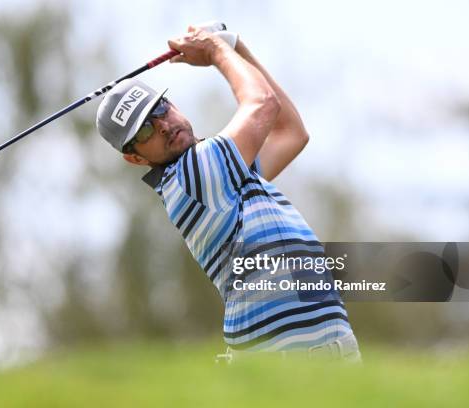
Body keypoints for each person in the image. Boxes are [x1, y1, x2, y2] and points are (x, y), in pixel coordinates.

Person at [95, 24, 361, 362]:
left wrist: (235, 45)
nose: (162, 124)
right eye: (146, 129)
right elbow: (262, 103)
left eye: (160, 108)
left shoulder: (225, 175)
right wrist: (215, 52)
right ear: (135, 158)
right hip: (280, 365)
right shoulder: (194, 176)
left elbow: (291, 133)